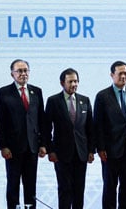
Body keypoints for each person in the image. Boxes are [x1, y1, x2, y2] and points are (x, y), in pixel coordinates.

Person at [0, 59, 46, 209]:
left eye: (25, 71)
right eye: (19, 71)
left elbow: (41, 119)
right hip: (13, 148)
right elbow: (0, 122)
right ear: (12, 74)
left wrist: (43, 144)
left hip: (32, 147)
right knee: (13, 184)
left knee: (31, 185)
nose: (23, 74)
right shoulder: (4, 92)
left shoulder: (36, 91)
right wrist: (3, 146)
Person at [93, 60, 126, 209]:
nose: (123, 76)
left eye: (125, 73)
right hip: (110, 151)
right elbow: (98, 124)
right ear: (112, 75)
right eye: (120, 73)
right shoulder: (102, 96)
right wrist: (100, 148)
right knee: (110, 188)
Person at [44, 68, 94, 209]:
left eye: (76, 81)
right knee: (65, 190)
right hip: (61, 154)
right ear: (62, 83)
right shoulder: (53, 101)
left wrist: (91, 150)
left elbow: (90, 128)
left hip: (81, 153)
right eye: (70, 81)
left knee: (79, 191)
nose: (74, 84)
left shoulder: (85, 100)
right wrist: (50, 150)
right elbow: (47, 128)